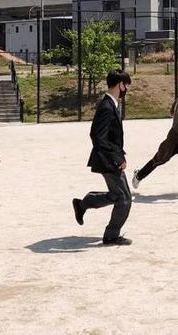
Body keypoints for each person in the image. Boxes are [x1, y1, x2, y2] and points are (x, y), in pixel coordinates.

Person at [72, 70, 134, 246]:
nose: (127, 89)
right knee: (124, 199)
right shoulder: (107, 106)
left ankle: (83, 204)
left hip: (109, 157)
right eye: (126, 85)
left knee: (117, 195)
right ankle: (111, 236)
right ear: (120, 84)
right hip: (108, 160)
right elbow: (97, 136)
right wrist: (117, 158)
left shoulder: (111, 104)